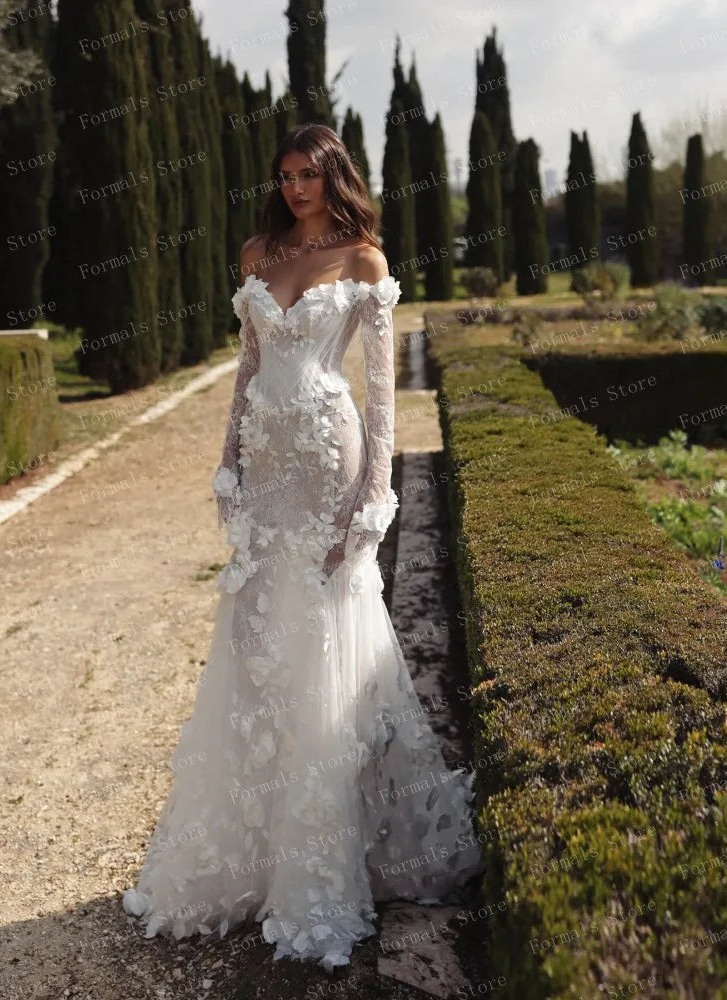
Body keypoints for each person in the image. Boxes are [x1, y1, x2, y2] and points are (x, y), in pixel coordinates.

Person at [123, 122, 482, 972]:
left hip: (328, 451)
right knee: (256, 628)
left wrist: (376, 491)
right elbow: (247, 370)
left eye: (308, 174)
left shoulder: (364, 258)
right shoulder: (256, 251)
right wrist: (225, 462)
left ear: (333, 176)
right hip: (267, 459)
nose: (295, 188)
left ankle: (316, 869)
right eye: (285, 176)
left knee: (324, 627)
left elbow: (381, 390)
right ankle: (245, 853)